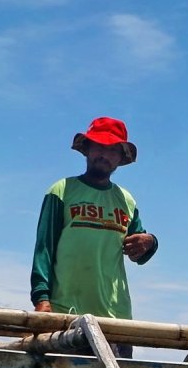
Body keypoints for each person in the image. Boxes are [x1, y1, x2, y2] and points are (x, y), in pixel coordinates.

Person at [30, 117, 159, 355]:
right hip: (65, 312)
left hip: (115, 317)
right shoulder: (61, 190)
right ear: (87, 149)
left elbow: (139, 254)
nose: (104, 154)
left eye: (112, 150)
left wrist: (150, 241)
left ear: (121, 159)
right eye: (99, 146)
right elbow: (44, 248)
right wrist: (41, 297)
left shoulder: (126, 200)